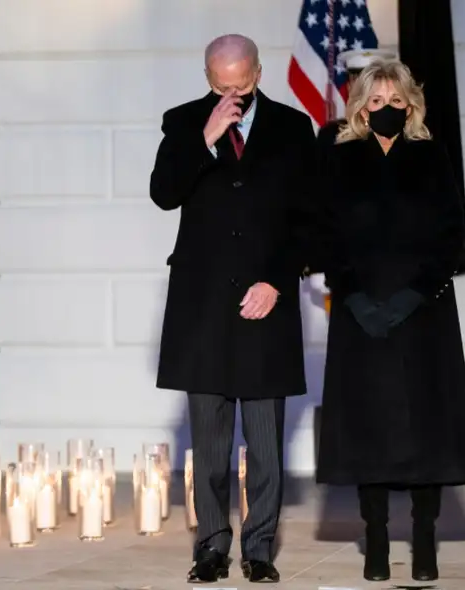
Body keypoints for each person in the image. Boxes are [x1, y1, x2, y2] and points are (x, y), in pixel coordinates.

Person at [149, 33, 315, 584]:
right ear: (208, 79)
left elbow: (308, 219)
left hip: (267, 301)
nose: (233, 96)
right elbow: (163, 193)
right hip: (203, 307)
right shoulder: (183, 122)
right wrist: (207, 137)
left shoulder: (293, 127)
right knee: (210, 443)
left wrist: (277, 281)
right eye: (222, 87)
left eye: (241, 85)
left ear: (258, 74)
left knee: (265, 442)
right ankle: (211, 546)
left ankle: (260, 548)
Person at [312, 59, 465, 583]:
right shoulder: (339, 158)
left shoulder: (431, 156)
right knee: (370, 431)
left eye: (396, 101)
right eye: (376, 101)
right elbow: (325, 235)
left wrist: (413, 296)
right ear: (361, 108)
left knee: (425, 431)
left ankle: (425, 539)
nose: (386, 109)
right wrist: (353, 297)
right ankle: (377, 542)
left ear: (411, 106)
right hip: (359, 315)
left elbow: (451, 236)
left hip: (423, 314)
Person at [319, 49, 397, 148]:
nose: (365, 89)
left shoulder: (401, 133)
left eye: (373, 81)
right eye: (358, 81)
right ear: (349, 87)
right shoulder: (330, 135)